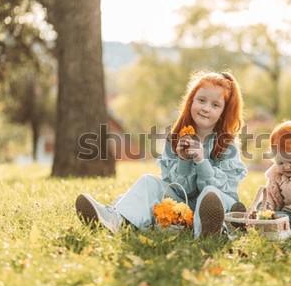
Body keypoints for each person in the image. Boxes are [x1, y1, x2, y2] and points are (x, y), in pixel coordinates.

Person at [75, 71, 247, 238]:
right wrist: (183, 160)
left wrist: (202, 161)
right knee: (149, 182)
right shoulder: (175, 139)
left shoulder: (227, 144)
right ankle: (116, 219)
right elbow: (181, 189)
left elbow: (224, 187)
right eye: (201, 100)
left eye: (215, 105)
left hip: (217, 201)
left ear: (223, 113)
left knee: (210, 192)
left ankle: (208, 229)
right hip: (185, 203)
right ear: (190, 102)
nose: (205, 108)